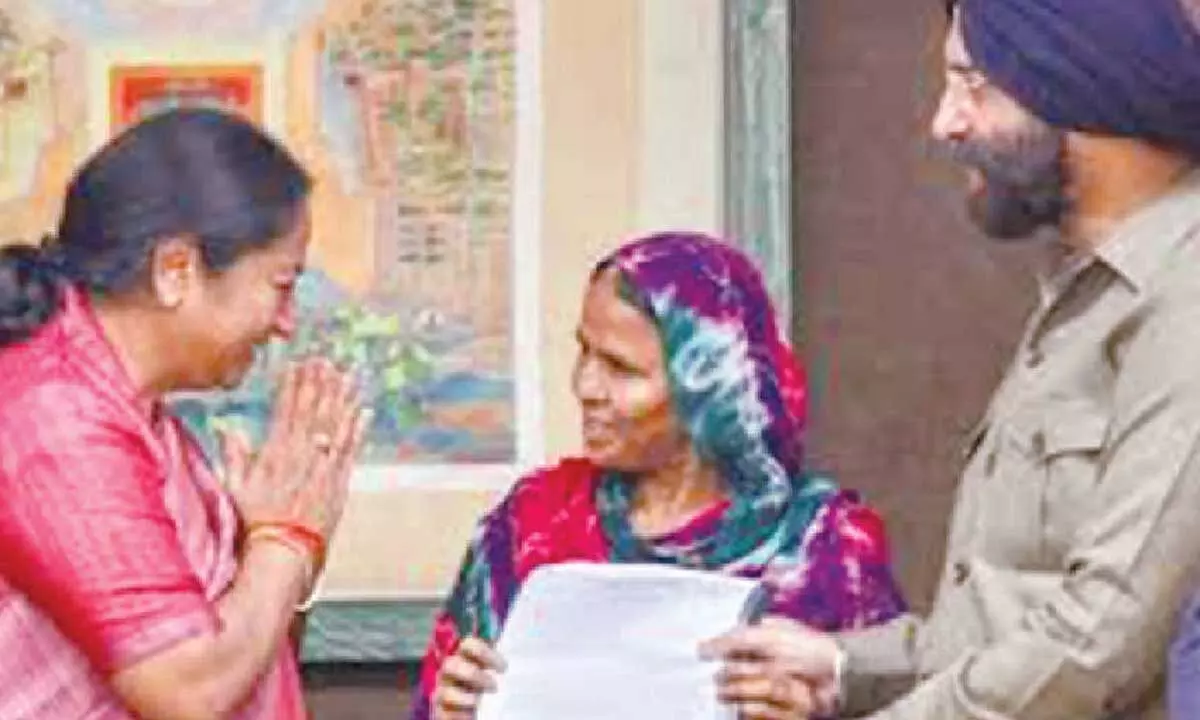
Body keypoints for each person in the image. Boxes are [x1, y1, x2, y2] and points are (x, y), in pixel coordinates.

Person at [700, 0, 1200, 717]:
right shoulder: (1085, 294)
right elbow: (1006, 620)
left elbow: (1099, 644)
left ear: (1077, 82)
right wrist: (846, 667)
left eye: (973, 83)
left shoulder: (1185, 296)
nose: (945, 122)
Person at [412, 231, 907, 720]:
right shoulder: (529, 524)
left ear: (709, 388)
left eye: (620, 368)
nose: (585, 386)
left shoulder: (827, 548)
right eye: (584, 351)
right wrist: (451, 713)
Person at [0, 108, 368, 718]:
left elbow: (246, 661)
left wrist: (263, 548)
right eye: (280, 285)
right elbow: (188, 688)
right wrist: (288, 541)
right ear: (176, 270)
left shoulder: (129, 408)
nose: (286, 324)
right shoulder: (57, 419)